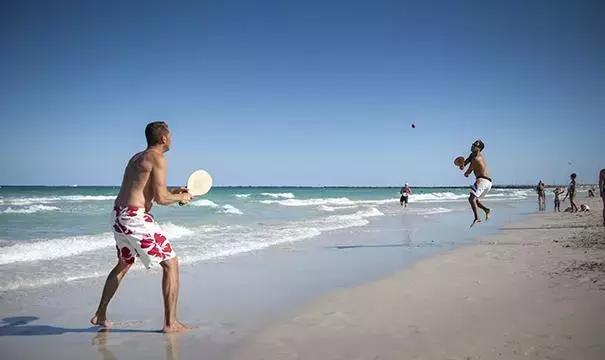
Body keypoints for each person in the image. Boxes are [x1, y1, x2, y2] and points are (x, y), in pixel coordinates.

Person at [91, 121, 194, 333]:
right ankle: (170, 323)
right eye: (170, 135)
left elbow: (145, 188)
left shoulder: (137, 157)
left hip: (119, 215)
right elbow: (162, 198)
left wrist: (176, 190)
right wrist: (181, 197)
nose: (172, 139)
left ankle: (100, 314)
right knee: (171, 263)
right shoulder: (158, 158)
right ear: (164, 138)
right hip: (135, 218)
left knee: (124, 262)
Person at [461, 140, 492, 227]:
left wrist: (466, 172)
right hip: (487, 182)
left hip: (482, 180)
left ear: (479, 149)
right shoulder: (472, 155)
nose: (472, 146)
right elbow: (465, 163)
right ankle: (486, 210)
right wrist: (462, 165)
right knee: (476, 201)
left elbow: (468, 171)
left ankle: (476, 218)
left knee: (471, 199)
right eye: (472, 144)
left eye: (475, 145)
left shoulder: (476, 158)